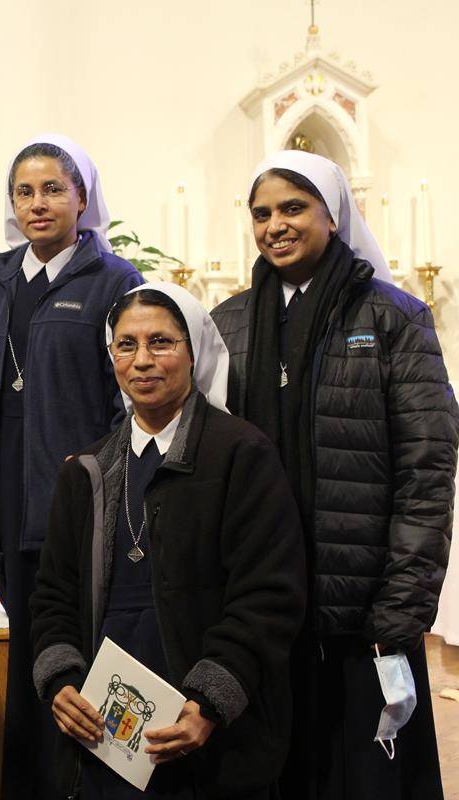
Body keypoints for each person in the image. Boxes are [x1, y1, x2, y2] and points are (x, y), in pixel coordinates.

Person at [211, 150, 459, 800]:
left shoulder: (393, 318)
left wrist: (403, 603)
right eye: (261, 213)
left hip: (364, 614)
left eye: (293, 208)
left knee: (367, 777)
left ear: (333, 214)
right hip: (265, 604)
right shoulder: (228, 324)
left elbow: (427, 469)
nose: (275, 225)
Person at [0, 134, 142, 797]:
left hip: (77, 515)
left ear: (83, 198)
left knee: (75, 670)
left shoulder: (115, 283)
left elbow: (126, 407)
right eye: (25, 190)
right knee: (29, 666)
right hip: (1, 513)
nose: (38, 203)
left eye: (54, 188)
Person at [31, 283, 306, 799]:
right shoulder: (87, 469)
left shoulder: (241, 454)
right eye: (126, 344)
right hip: (105, 729)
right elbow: (53, 596)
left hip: (211, 731)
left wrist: (210, 702)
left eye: (161, 342)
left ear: (193, 349)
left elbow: (269, 596)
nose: (142, 361)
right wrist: (61, 680)